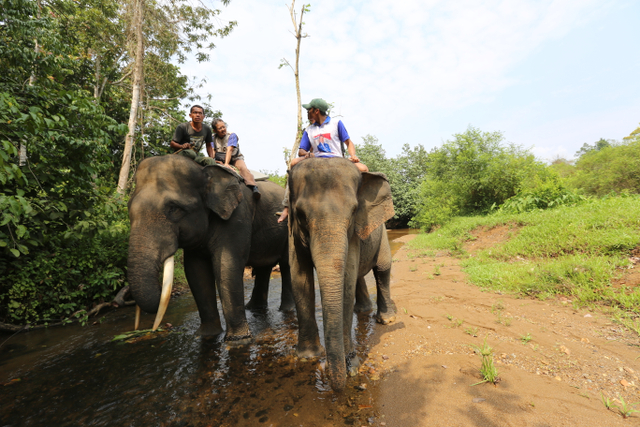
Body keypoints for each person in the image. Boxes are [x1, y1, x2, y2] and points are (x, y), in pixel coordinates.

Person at [278, 98, 368, 222]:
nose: (307, 112)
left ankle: (363, 205)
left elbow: (349, 142)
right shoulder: (309, 130)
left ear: (316, 111)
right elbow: (301, 151)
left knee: (364, 169)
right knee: (293, 163)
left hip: (337, 160)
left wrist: (353, 155)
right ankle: (287, 206)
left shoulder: (336, 123)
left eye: (309, 110)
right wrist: (307, 154)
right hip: (316, 160)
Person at [211, 118, 261, 199]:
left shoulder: (231, 135)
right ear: (215, 130)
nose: (223, 129)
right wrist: (212, 161)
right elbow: (212, 151)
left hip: (235, 158)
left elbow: (229, 150)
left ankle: (253, 187)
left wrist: (226, 164)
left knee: (243, 169)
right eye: (220, 128)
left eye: (224, 127)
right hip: (219, 160)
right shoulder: (212, 138)